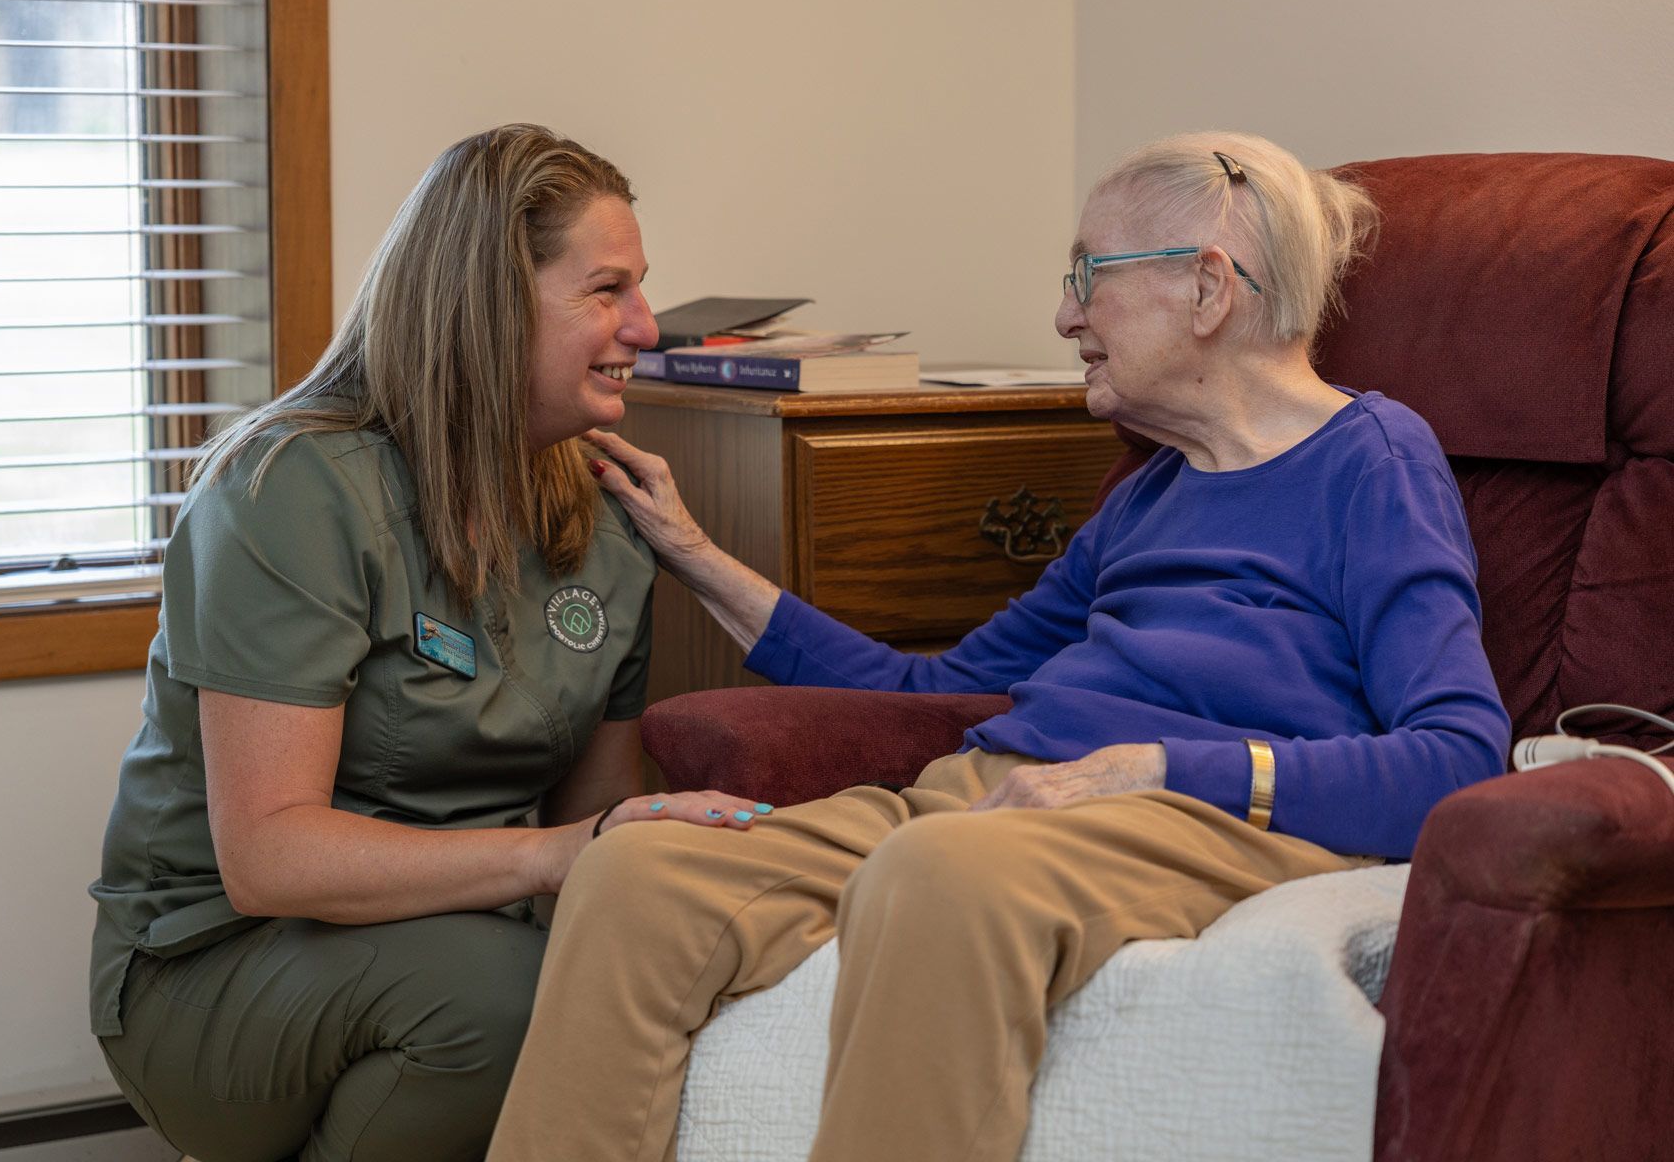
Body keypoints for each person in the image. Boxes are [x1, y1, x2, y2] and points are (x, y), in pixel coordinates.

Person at [486, 131, 1512, 1162]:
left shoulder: (1372, 461)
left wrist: (1154, 766)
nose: (1066, 315)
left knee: (941, 872)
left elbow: (1460, 756)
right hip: (992, 800)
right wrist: (694, 552)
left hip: (1188, 816)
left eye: (1087, 277)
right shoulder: (1146, 495)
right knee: (640, 877)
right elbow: (935, 688)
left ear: (1206, 290)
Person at [87, 124, 770, 1162]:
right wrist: (550, 859)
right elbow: (270, 860)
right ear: (493, 304)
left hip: (465, 939)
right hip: (223, 967)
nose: (645, 326)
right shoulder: (292, 492)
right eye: (606, 290)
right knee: (507, 1000)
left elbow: (597, 822)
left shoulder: (606, 521)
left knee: (663, 971)